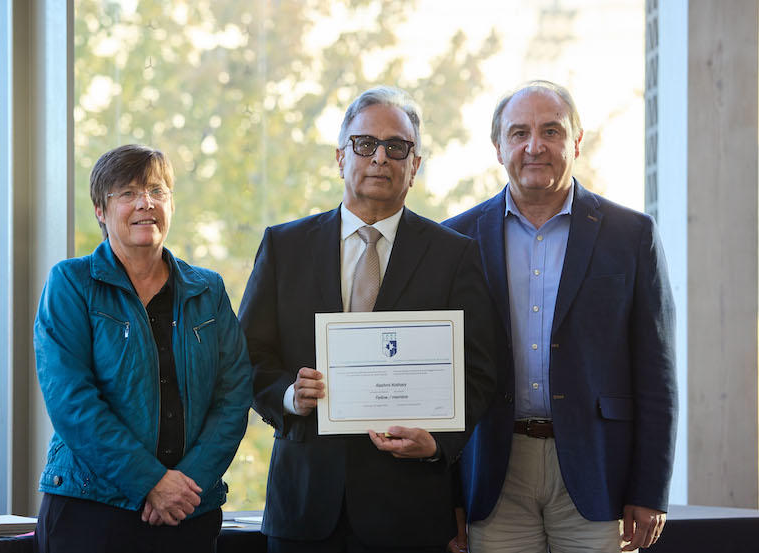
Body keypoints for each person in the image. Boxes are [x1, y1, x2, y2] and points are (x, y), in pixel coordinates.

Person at [238, 85, 499, 552]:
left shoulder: (454, 256)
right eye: (365, 144)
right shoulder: (284, 248)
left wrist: (439, 442)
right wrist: (289, 397)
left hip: (408, 511)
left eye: (397, 147)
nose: (381, 157)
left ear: (414, 165)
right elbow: (246, 357)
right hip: (304, 506)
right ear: (341, 157)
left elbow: (480, 372)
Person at [443, 80, 677, 552]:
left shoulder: (632, 235)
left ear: (576, 139)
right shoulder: (456, 239)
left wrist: (650, 489)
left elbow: (657, 373)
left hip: (598, 473)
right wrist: (445, 497)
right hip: (493, 472)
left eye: (551, 131)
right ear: (497, 146)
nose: (535, 146)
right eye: (519, 133)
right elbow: (443, 376)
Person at [33, 144, 253, 552]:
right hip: (91, 511)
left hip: (189, 511)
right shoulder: (71, 284)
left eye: (157, 190)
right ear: (101, 209)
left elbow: (234, 396)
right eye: (128, 193)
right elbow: (72, 402)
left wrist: (187, 486)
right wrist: (150, 482)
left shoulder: (209, 290)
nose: (146, 203)